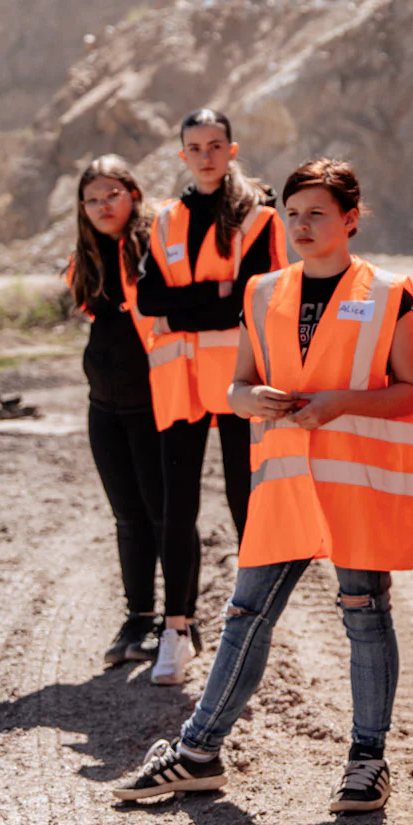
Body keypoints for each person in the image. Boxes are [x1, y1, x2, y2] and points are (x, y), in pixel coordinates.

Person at [113, 160, 413, 813]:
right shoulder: (262, 291)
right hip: (287, 480)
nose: (302, 225)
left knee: (365, 613)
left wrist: (339, 402)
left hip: (359, 480)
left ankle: (367, 760)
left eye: (317, 212)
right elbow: (235, 384)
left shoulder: (390, 290)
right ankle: (199, 750)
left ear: (351, 217)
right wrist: (249, 397)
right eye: (293, 213)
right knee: (244, 613)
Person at [132, 108, 286, 685]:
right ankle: (177, 630)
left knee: (248, 503)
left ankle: (253, 629)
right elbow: (148, 299)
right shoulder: (165, 219)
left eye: (215, 145)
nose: (205, 155)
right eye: (194, 146)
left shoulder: (259, 219)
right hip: (180, 383)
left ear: (232, 150)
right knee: (177, 508)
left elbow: (248, 298)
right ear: (181, 155)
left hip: (237, 380)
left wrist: (188, 303)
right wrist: (212, 294)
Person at [67, 156, 168, 670]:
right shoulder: (87, 258)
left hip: (153, 402)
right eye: (92, 199)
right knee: (126, 515)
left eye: (112, 194)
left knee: (161, 513)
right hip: (102, 405)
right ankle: (138, 616)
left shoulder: (156, 245)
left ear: (133, 193)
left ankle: (176, 622)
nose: (103, 206)